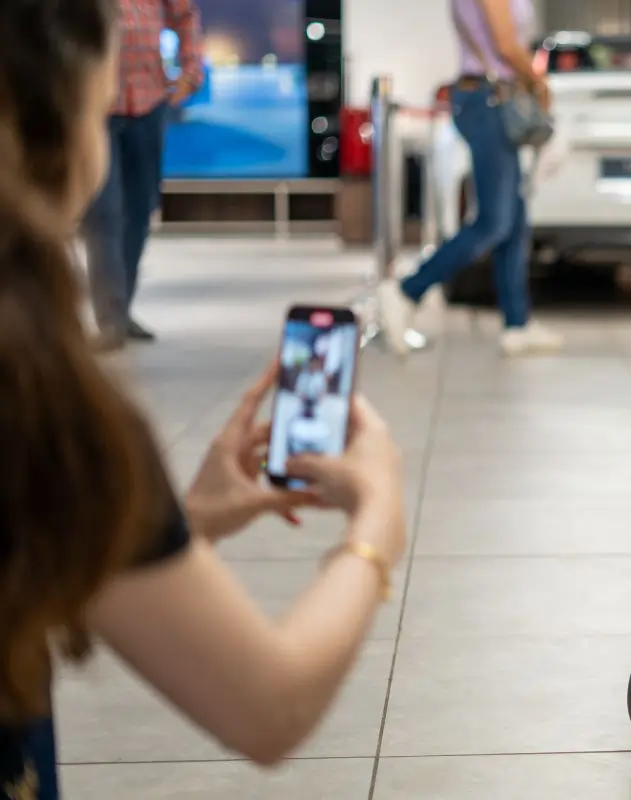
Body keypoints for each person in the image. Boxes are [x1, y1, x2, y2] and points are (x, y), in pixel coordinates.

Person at [0, 1, 408, 796]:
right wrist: (376, 529)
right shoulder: (38, 402)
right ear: (63, 126)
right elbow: (269, 706)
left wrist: (170, 521)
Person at [376, 0, 563, 358]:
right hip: (488, 99)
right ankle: (406, 291)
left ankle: (517, 324)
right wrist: (540, 83)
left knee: (515, 219)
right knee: (493, 222)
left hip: (489, 97)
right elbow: (506, 45)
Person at [82, 0, 205, 350]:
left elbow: (184, 15)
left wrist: (191, 71)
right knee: (102, 213)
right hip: (97, 103)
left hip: (149, 101)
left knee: (140, 209)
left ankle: (121, 307)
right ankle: (110, 319)